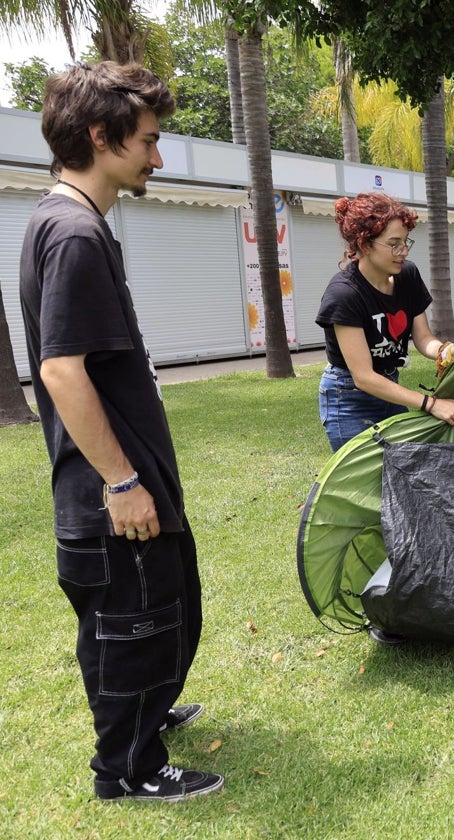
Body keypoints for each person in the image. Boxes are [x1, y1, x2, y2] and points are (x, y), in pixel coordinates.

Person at [18, 61, 223, 802]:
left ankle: (149, 714)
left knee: (159, 611)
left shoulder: (68, 224)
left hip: (123, 485)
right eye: (148, 141)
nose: (157, 157)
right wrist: (123, 482)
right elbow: (62, 373)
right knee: (132, 625)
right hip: (109, 495)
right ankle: (127, 771)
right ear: (101, 138)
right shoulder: (73, 233)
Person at [315, 192, 454, 451]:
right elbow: (364, 377)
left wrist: (445, 351)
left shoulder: (407, 275)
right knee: (362, 484)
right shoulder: (344, 294)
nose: (403, 252)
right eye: (393, 244)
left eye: (405, 242)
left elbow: (423, 338)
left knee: (398, 471)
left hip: (389, 385)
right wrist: (432, 404)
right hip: (348, 397)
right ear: (365, 244)